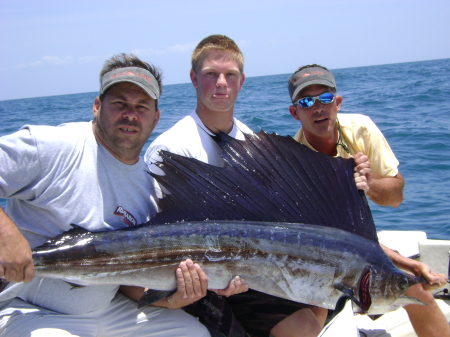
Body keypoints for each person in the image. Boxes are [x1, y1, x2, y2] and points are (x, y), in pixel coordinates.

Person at [0, 53, 211, 337]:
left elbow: (128, 276)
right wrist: (7, 237)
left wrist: (170, 299)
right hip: (28, 308)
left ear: (156, 117)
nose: (130, 114)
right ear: (97, 106)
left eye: (141, 106)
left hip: (109, 310)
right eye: (120, 104)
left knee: (195, 333)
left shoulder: (151, 189)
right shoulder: (51, 147)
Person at [145, 35, 325, 337]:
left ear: (241, 81)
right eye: (211, 74)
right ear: (193, 79)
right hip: (192, 281)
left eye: (229, 75)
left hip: (243, 273)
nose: (221, 83)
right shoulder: (168, 150)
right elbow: (157, 239)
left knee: (313, 313)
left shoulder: (251, 143)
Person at [287, 64, 450, 337]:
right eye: (306, 101)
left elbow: (396, 197)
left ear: (337, 103)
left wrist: (370, 183)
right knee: (309, 321)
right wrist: (409, 264)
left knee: (419, 295)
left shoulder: (361, 128)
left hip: (362, 245)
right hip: (321, 255)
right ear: (295, 113)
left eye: (325, 98)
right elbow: (338, 239)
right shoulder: (295, 162)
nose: (318, 107)